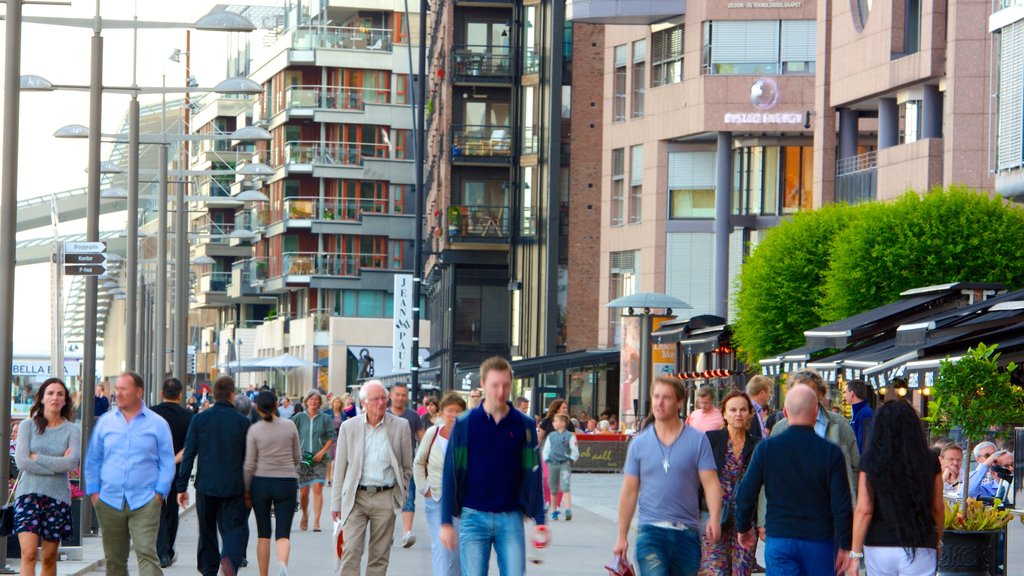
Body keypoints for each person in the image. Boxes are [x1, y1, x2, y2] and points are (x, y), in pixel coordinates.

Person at [440, 356, 546, 575]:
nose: (501, 392)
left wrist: (539, 520)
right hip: (473, 517)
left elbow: (533, 472)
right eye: (495, 385)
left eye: (506, 386)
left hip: (511, 517)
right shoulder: (464, 424)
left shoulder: (524, 426)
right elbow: (450, 473)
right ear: (483, 384)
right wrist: (445, 521)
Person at [734, 385, 852, 576]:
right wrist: (846, 545)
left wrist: (744, 527)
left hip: (780, 537)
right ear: (816, 412)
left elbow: (745, 493)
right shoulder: (831, 453)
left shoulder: (766, 449)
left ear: (785, 412)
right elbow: (842, 504)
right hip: (819, 540)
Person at [612, 376, 721, 575]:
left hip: (687, 533)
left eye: (666, 398)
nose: (659, 403)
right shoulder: (639, 444)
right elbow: (629, 491)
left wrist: (714, 517)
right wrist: (622, 536)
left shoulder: (697, 440)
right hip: (651, 532)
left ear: (679, 402)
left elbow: (711, 483)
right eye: (656, 397)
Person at [84, 371, 176, 576]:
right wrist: (94, 493)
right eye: (116, 389)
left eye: (123, 389)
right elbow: (93, 460)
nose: (118, 393)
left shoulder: (158, 424)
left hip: (145, 500)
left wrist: (159, 493)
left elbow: (167, 462)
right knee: (115, 561)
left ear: (139, 391)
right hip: (108, 500)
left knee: (146, 554)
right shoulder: (105, 422)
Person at [847, 401, 944, 575]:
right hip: (920, 543)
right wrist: (937, 542)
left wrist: (855, 554)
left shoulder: (870, 460)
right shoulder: (930, 459)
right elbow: (937, 507)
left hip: (879, 544)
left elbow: (864, 510)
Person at [330, 380, 412, 576]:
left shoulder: (400, 426)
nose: (381, 403)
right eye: (376, 399)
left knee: (379, 555)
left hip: (385, 496)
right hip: (356, 497)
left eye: (384, 398)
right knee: (350, 550)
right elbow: (340, 469)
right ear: (364, 403)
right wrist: (336, 504)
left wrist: (401, 493)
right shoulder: (349, 427)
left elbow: (407, 467)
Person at [761, 369, 859, 533]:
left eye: (809, 391)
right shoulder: (780, 428)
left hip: (830, 513)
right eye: (797, 391)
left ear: (820, 394)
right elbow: (767, 475)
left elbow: (855, 467)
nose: (802, 396)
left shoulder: (839, 424)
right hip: (789, 514)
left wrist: (853, 509)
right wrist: (763, 518)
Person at [176, 375, 251, 576]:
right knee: (234, 528)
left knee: (207, 530)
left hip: (206, 485)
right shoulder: (243, 422)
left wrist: (182, 487)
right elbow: (249, 458)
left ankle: (209, 570)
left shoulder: (199, 419)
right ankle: (228, 557)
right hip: (234, 486)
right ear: (232, 395)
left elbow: (189, 453)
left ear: (214, 395)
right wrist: (249, 488)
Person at [13, 378, 80, 576]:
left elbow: (70, 463)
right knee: (29, 553)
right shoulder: (27, 426)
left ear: (66, 400)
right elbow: (22, 462)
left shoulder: (72, 430)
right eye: (50, 393)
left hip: (57, 498)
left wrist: (38, 458)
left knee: (50, 557)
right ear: (42, 398)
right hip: (28, 495)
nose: (55, 398)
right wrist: (56, 463)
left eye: (60, 394)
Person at [700, 391, 761, 576]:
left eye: (743, 409)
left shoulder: (758, 446)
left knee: (741, 572)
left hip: (745, 521)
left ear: (750, 413)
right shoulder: (711, 439)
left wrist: (762, 522)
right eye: (733, 410)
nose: (738, 414)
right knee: (714, 571)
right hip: (714, 518)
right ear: (724, 414)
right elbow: (698, 478)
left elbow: (763, 486)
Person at [245, 390, 301, 576]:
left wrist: (246, 489)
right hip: (286, 481)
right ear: (277, 405)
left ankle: (263, 574)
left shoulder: (254, 430)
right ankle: (282, 563)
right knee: (283, 533)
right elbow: (297, 456)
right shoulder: (290, 426)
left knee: (263, 533)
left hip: (261, 483)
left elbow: (250, 464)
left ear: (257, 408)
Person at [414, 392, 466, 576]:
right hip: (436, 498)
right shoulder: (433, 433)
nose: (453, 415)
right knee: (442, 548)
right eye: (449, 411)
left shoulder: (468, 436)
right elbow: (419, 462)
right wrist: (424, 488)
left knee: (459, 550)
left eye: (458, 411)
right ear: (441, 413)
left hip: (460, 502)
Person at [150, 378, 193, 568]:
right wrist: (173, 460)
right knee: (173, 510)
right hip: (178, 469)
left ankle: (161, 552)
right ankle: (168, 549)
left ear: (161, 393)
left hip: (153, 469)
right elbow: (190, 447)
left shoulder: (151, 413)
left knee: (158, 508)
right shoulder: (188, 416)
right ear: (180, 394)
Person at [291, 390, 335, 532]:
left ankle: (316, 522)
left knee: (317, 489)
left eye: (316, 399)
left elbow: (331, 437)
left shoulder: (325, 418)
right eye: (311, 399)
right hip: (304, 458)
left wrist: (322, 451)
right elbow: (291, 434)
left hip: (319, 458)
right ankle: (305, 515)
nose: (314, 402)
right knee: (303, 493)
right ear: (306, 401)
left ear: (319, 402)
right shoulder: (298, 418)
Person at [389, 383, 424, 548]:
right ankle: (386, 533)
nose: (400, 398)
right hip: (386, 465)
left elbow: (422, 439)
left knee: (409, 498)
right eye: (397, 394)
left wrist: (424, 461)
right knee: (387, 501)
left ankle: (407, 533)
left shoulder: (413, 416)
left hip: (407, 464)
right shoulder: (384, 413)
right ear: (391, 395)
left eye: (403, 395)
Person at [539, 399, 575, 514]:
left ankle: (557, 505)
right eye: (564, 407)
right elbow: (540, 436)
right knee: (546, 478)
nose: (566, 409)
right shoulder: (548, 421)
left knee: (558, 481)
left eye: (566, 407)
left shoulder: (569, 423)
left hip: (562, 457)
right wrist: (536, 449)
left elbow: (573, 440)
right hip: (548, 455)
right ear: (557, 408)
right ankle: (547, 500)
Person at [543, 413, 579, 522]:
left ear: (563, 423)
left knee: (565, 486)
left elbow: (574, 449)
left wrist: (572, 459)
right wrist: (546, 459)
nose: (553, 423)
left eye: (555, 421)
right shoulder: (551, 436)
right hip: (552, 463)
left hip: (564, 463)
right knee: (553, 489)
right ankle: (554, 511)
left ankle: (568, 510)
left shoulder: (570, 436)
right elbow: (546, 449)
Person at [843, 379, 874, 455]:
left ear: (852, 394)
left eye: (845, 392)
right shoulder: (859, 412)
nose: (844, 396)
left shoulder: (865, 413)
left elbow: (865, 443)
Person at [325, 396, 347, 485]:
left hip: (339, 437)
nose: (336, 404)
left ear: (341, 404)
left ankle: (335, 478)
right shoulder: (328, 412)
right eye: (335, 402)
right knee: (329, 459)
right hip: (329, 437)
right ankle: (328, 479)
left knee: (338, 459)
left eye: (338, 402)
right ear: (332, 403)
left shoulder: (343, 414)